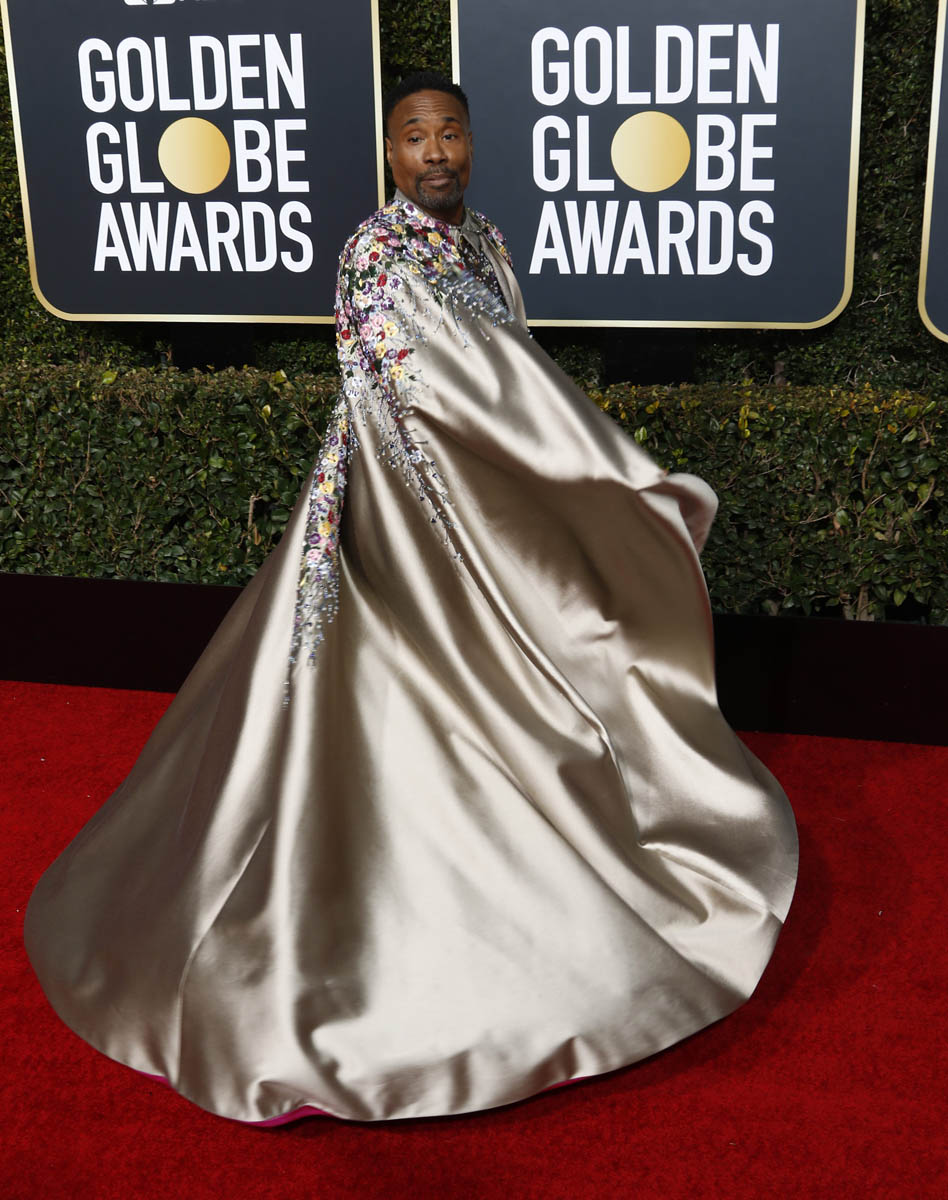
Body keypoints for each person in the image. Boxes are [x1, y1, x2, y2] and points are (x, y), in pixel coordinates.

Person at [24, 72, 798, 1126]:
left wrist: (568, 477)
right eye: (414, 136)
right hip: (394, 510)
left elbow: (517, 372)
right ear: (389, 153)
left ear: (472, 144)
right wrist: (600, 464)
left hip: (476, 505)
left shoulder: (486, 242)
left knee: (531, 674)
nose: (435, 152)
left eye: (450, 133)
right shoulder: (375, 252)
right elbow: (451, 388)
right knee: (383, 697)